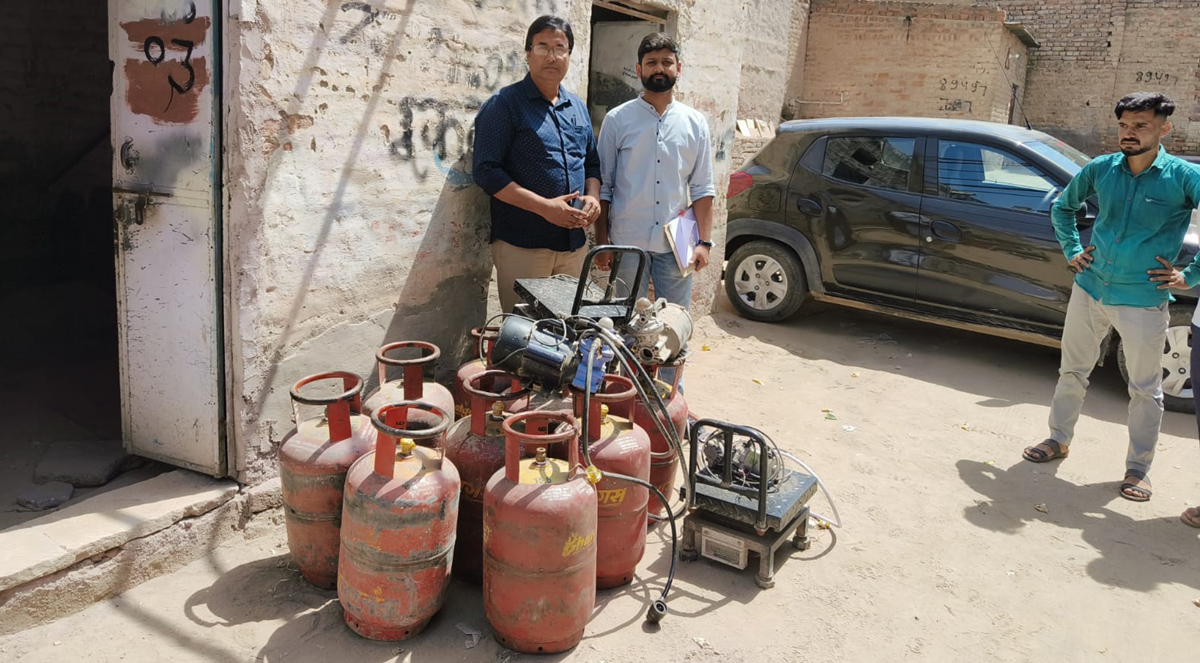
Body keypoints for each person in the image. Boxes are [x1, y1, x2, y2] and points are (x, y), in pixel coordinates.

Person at [1021, 92, 1200, 503]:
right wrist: (1071, 250)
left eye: (1141, 126)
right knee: (1072, 370)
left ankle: (1138, 469)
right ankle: (1058, 439)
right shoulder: (1102, 168)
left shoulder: (1183, 177)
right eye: (1124, 125)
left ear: (1164, 129)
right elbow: (1063, 209)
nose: (1129, 133)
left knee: (1144, 387)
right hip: (1090, 287)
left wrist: (1190, 274)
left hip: (1142, 298)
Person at [472, 15, 601, 313]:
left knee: (569, 330)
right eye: (542, 47)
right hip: (523, 245)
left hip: (574, 246)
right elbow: (486, 171)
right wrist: (544, 207)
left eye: (560, 47)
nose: (552, 56)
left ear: (569, 55)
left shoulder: (577, 108)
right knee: (526, 338)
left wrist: (593, 196)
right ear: (528, 53)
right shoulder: (504, 104)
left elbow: (592, 163)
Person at [594, 32, 715, 309]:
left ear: (678, 68)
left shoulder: (695, 124)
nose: (659, 68)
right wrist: (602, 242)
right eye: (651, 62)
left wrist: (704, 243)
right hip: (627, 240)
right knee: (626, 320)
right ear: (639, 70)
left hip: (679, 240)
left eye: (666, 62)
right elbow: (605, 186)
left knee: (675, 320)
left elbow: (702, 188)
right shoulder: (617, 120)